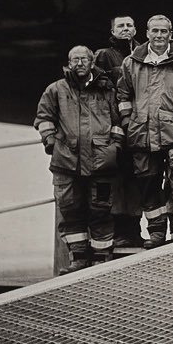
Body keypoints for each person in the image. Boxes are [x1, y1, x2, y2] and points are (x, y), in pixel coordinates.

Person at [117, 15, 173, 246]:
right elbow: (123, 96)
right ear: (146, 33)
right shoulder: (131, 62)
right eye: (154, 31)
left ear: (170, 34)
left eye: (163, 31)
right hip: (141, 133)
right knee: (148, 182)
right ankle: (156, 231)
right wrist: (129, 122)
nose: (159, 36)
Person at [34, 46, 123, 271]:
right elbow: (44, 118)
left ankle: (102, 256)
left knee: (101, 208)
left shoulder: (107, 90)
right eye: (75, 59)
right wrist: (51, 142)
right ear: (69, 62)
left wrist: (115, 146)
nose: (79, 63)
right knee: (70, 209)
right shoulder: (56, 90)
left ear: (92, 62)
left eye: (84, 59)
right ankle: (79, 257)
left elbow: (119, 121)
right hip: (66, 162)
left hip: (101, 161)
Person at [94, 15, 141, 247]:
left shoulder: (143, 52)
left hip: (138, 125)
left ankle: (134, 230)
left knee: (137, 178)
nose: (125, 29)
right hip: (116, 126)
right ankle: (121, 231)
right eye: (120, 26)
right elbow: (98, 93)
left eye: (129, 25)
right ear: (112, 30)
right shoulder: (104, 55)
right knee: (118, 179)